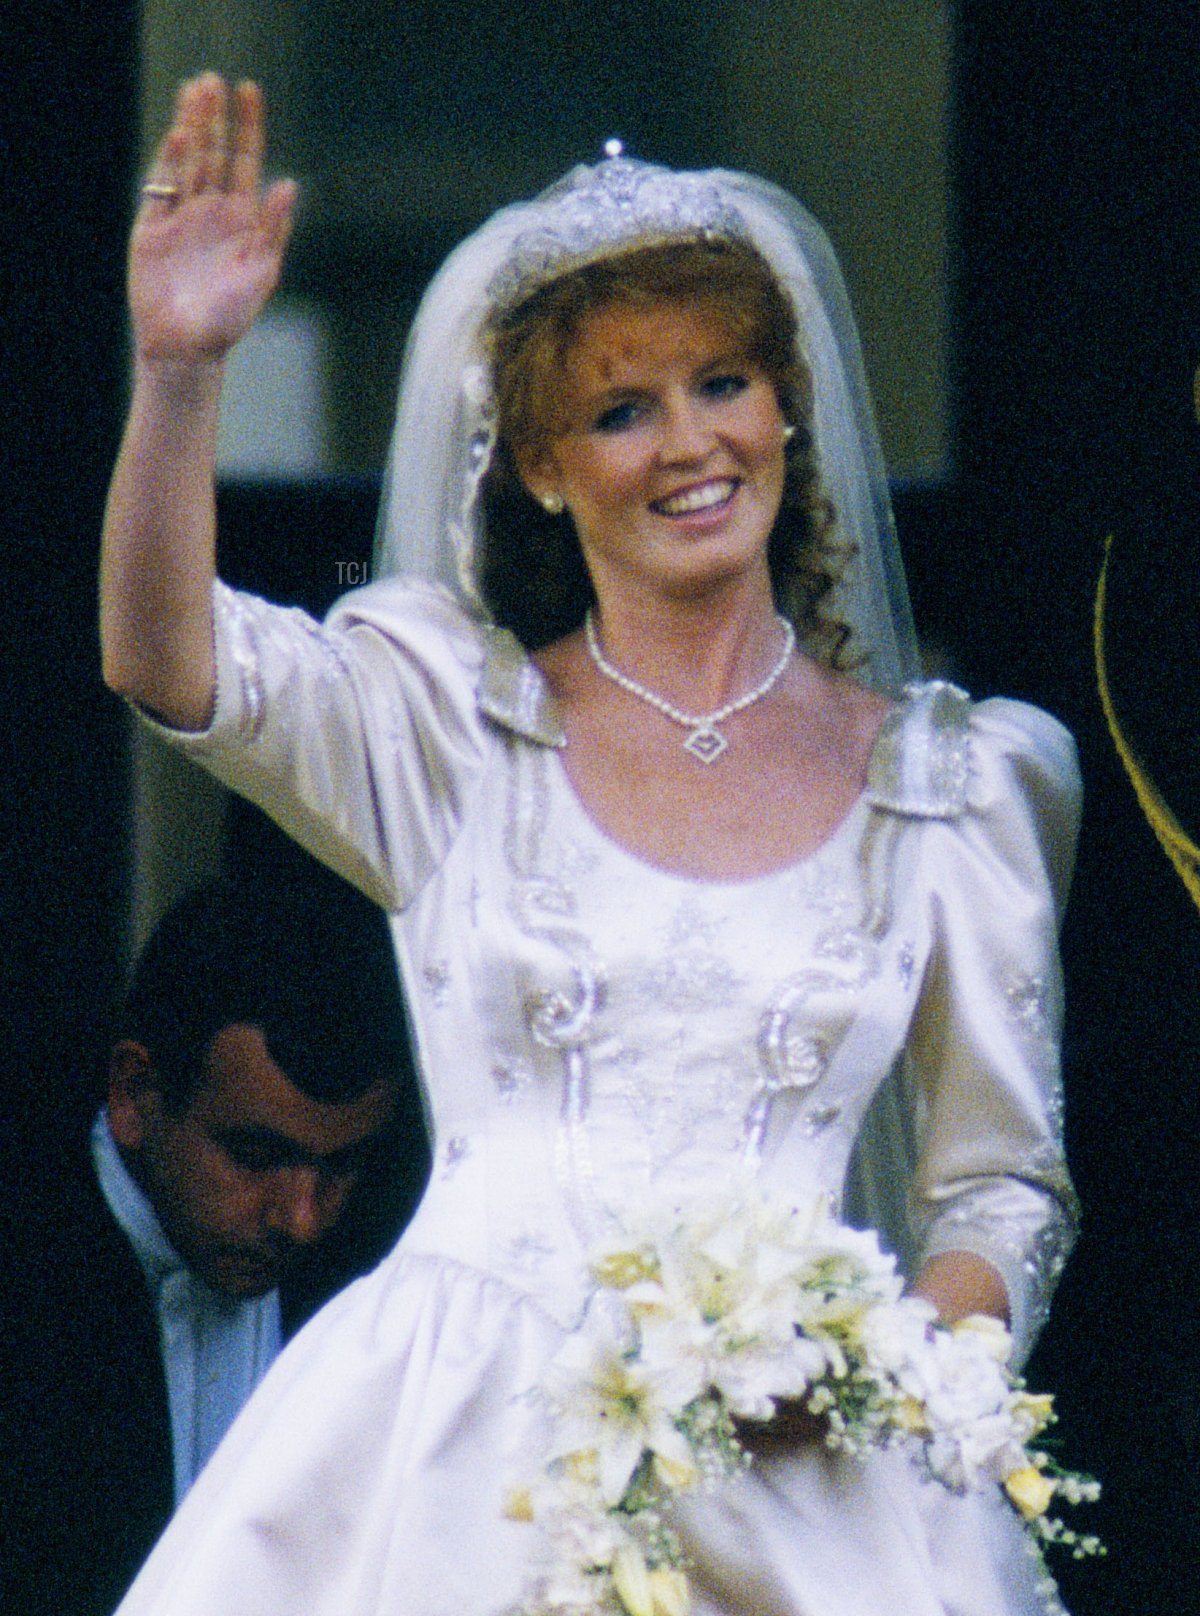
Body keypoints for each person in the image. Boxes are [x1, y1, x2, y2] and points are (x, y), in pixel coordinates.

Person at [98, 72, 1083, 1616]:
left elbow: (998, 1193)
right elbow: (170, 664)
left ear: (786, 405)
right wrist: (178, 372)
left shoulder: (951, 788)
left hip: (811, 1492)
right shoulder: (447, 727)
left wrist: (877, 1376)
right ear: (545, 469)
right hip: (453, 1460)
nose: (690, 442)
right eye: (622, 410)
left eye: (723, 384)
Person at [3, 869, 419, 1616]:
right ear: (134, 1095)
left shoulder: (397, 1260)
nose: (303, 1219)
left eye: (341, 1166)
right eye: (256, 1156)